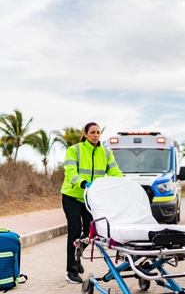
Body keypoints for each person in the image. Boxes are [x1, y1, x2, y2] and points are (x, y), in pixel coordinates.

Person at [60, 122, 124, 284]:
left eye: (98, 132)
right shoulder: (74, 150)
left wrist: (124, 183)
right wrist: (82, 182)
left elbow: (115, 171)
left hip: (91, 198)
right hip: (72, 196)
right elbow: (70, 171)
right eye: (92, 132)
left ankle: (77, 255)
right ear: (85, 134)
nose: (96, 135)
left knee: (92, 231)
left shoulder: (106, 153)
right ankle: (71, 271)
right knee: (74, 231)